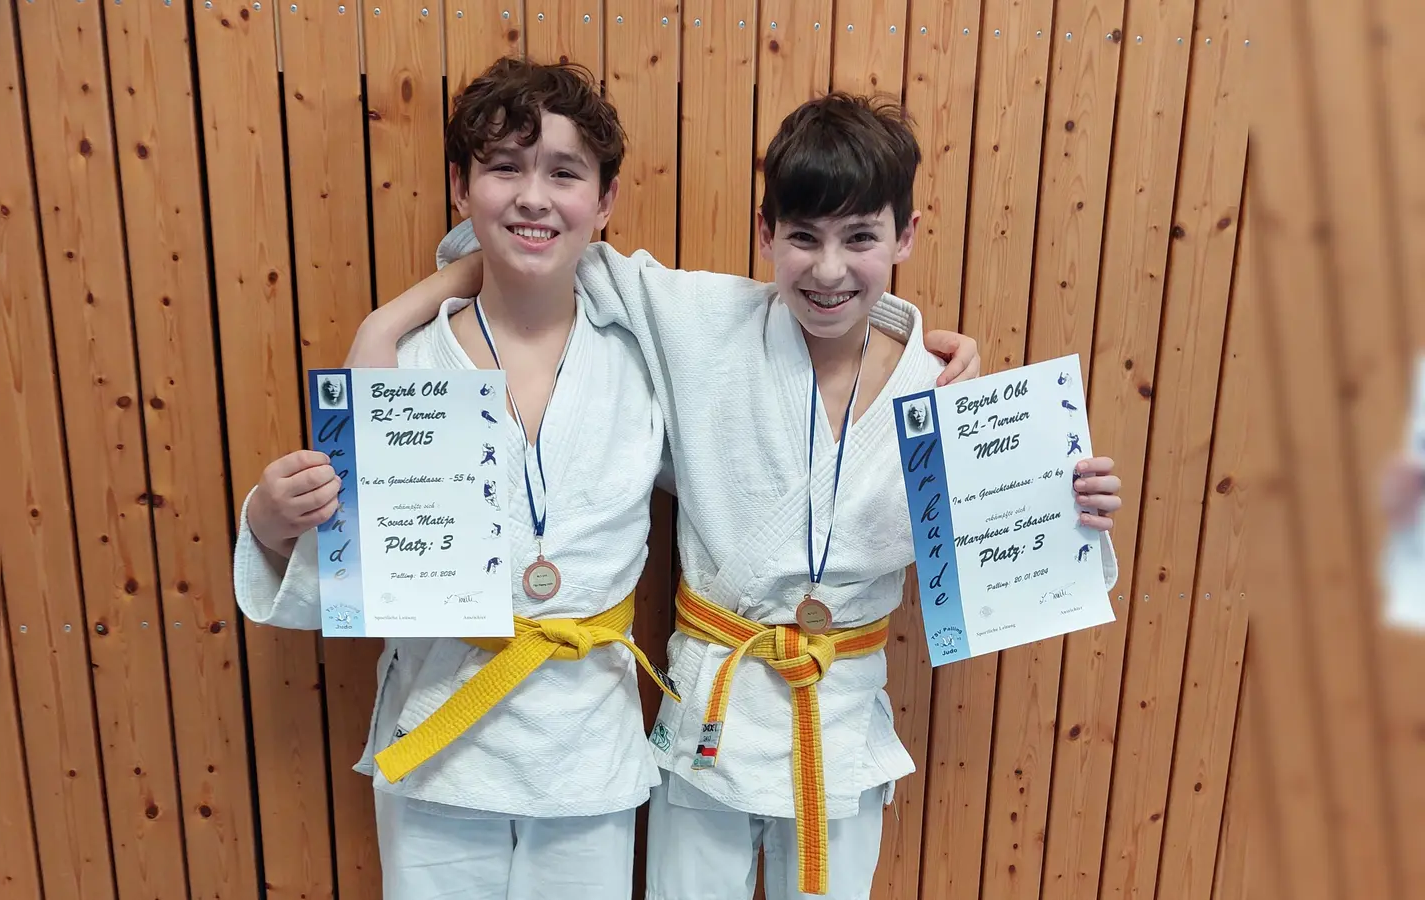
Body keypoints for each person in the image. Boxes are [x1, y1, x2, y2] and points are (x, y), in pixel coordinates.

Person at [355, 92, 1124, 899]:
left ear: (906, 235)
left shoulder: (940, 401)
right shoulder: (701, 323)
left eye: (861, 238)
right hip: (707, 731)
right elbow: (539, 241)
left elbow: (1009, 571)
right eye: (802, 238)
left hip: (839, 727)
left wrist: (1066, 504)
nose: (829, 269)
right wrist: (384, 327)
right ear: (766, 234)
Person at [235, 59, 672, 899]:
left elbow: (777, 348)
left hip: (588, 749)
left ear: (606, 201)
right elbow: (356, 551)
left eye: (564, 173)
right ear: (460, 186)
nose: (532, 196)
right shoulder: (405, 358)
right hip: (440, 739)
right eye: (504, 166)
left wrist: (897, 339)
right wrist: (269, 516)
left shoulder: (645, 354)